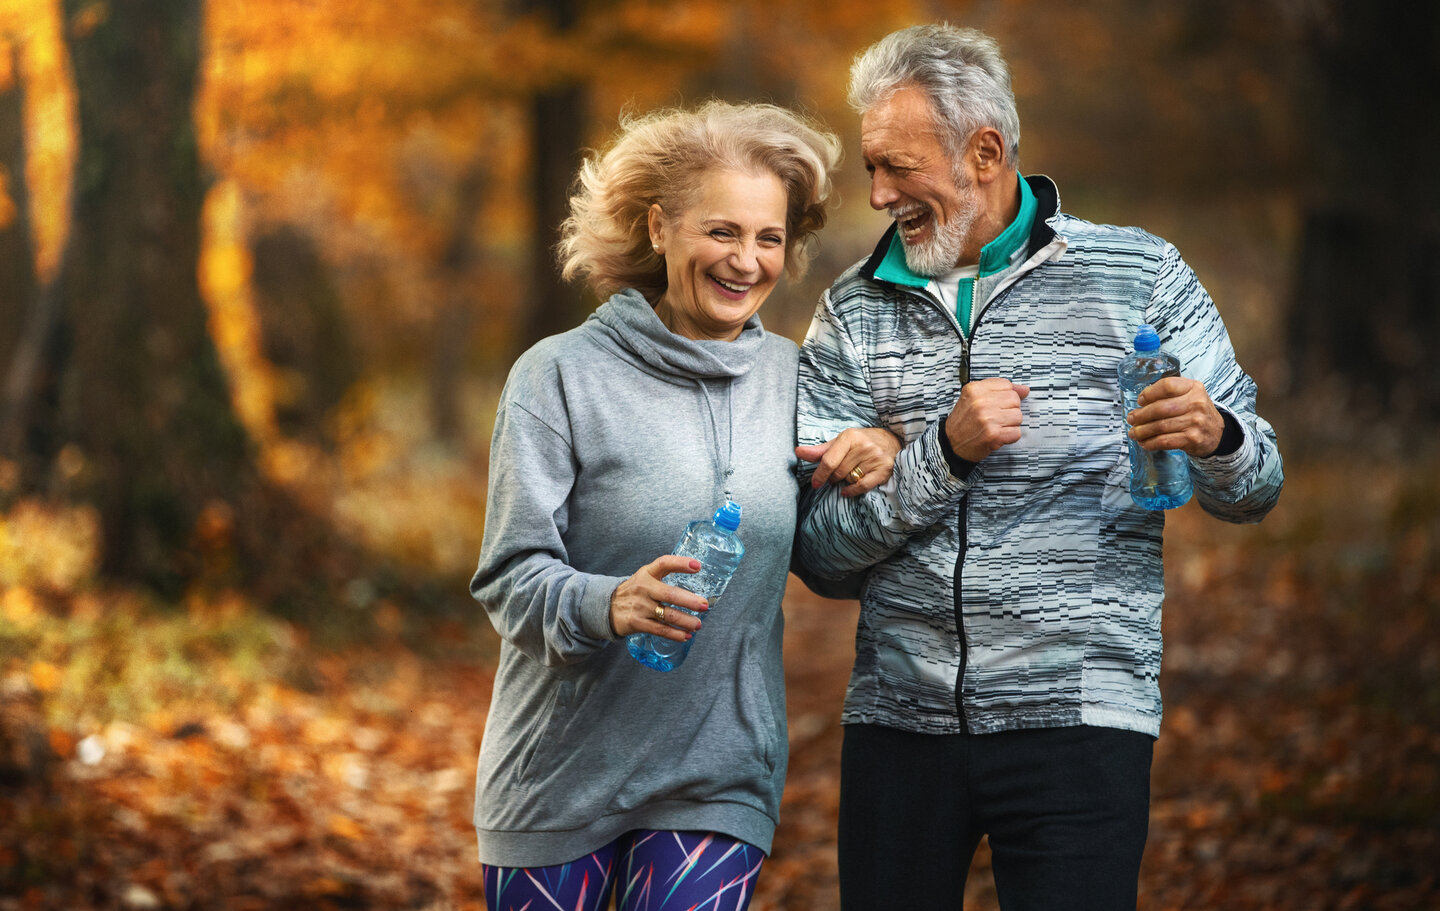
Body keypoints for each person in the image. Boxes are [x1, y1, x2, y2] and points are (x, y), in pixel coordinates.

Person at [792, 24, 1285, 910]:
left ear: (984, 152)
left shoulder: (1139, 275)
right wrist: (940, 455)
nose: (875, 194)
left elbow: (1259, 486)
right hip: (899, 720)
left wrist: (1217, 438)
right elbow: (821, 555)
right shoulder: (851, 311)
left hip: (1082, 716)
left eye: (897, 168)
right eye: (871, 167)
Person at [469, 100, 897, 911]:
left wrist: (883, 456)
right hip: (556, 776)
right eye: (722, 231)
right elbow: (508, 577)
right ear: (660, 228)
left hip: (718, 776)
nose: (746, 260)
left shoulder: (797, 380)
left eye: (769, 238)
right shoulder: (558, 376)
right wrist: (608, 600)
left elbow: (833, 560)